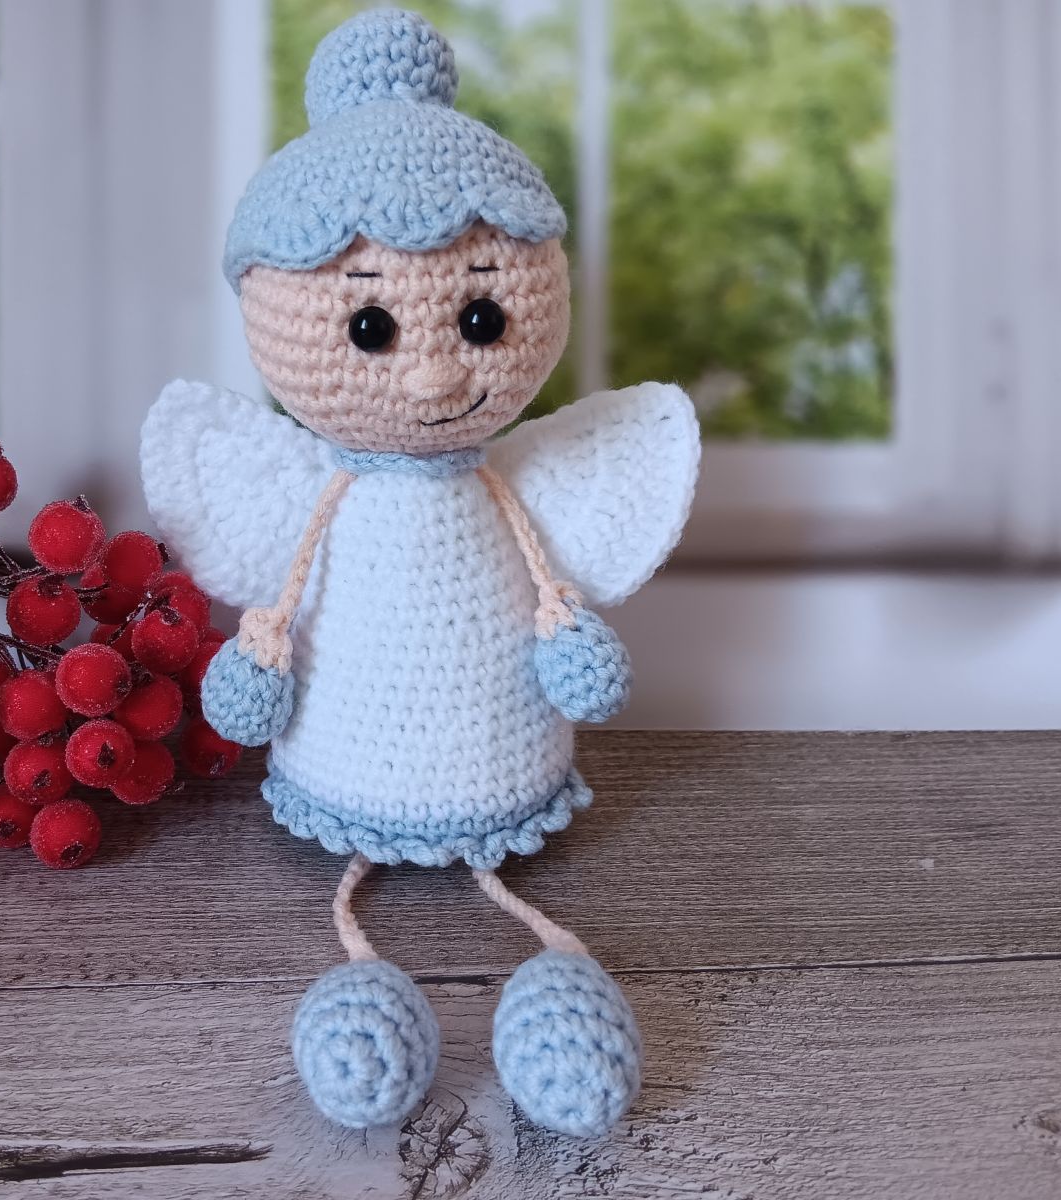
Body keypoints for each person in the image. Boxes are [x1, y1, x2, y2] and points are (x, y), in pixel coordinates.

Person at [141, 8, 699, 1137]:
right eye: (372, 328)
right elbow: (272, 627)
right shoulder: (317, 498)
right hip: (339, 778)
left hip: (509, 775)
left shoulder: (517, 491)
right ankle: (366, 999)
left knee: (534, 934)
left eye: (481, 315)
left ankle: (553, 985)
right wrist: (256, 666)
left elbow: (564, 616)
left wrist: (569, 643)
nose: (435, 378)